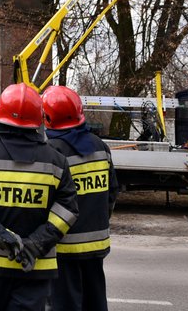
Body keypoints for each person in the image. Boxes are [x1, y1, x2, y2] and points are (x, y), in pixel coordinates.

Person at [0, 83, 79, 311]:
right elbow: (68, 210)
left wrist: (1, 236)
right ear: (39, 118)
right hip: (35, 268)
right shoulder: (56, 161)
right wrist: (36, 244)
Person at [43, 85, 119, 311]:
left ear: (48, 118)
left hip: (63, 249)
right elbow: (112, 193)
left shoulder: (51, 152)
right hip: (96, 245)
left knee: (64, 305)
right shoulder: (100, 147)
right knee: (95, 303)